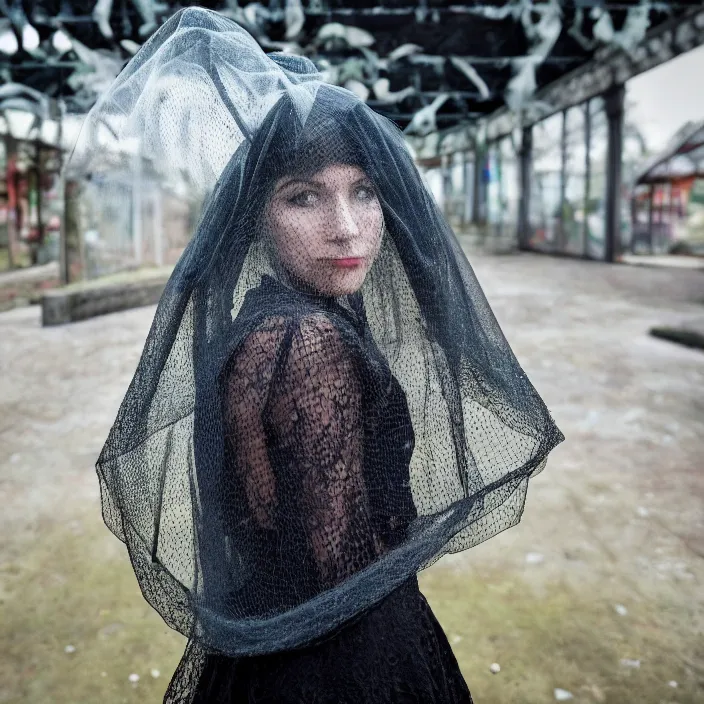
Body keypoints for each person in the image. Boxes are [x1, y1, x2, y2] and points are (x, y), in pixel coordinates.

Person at [76, 8, 563, 703]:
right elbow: (339, 573)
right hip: (340, 662)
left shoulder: (267, 322)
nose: (346, 227)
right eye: (304, 197)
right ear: (258, 218)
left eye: (364, 191)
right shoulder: (307, 342)